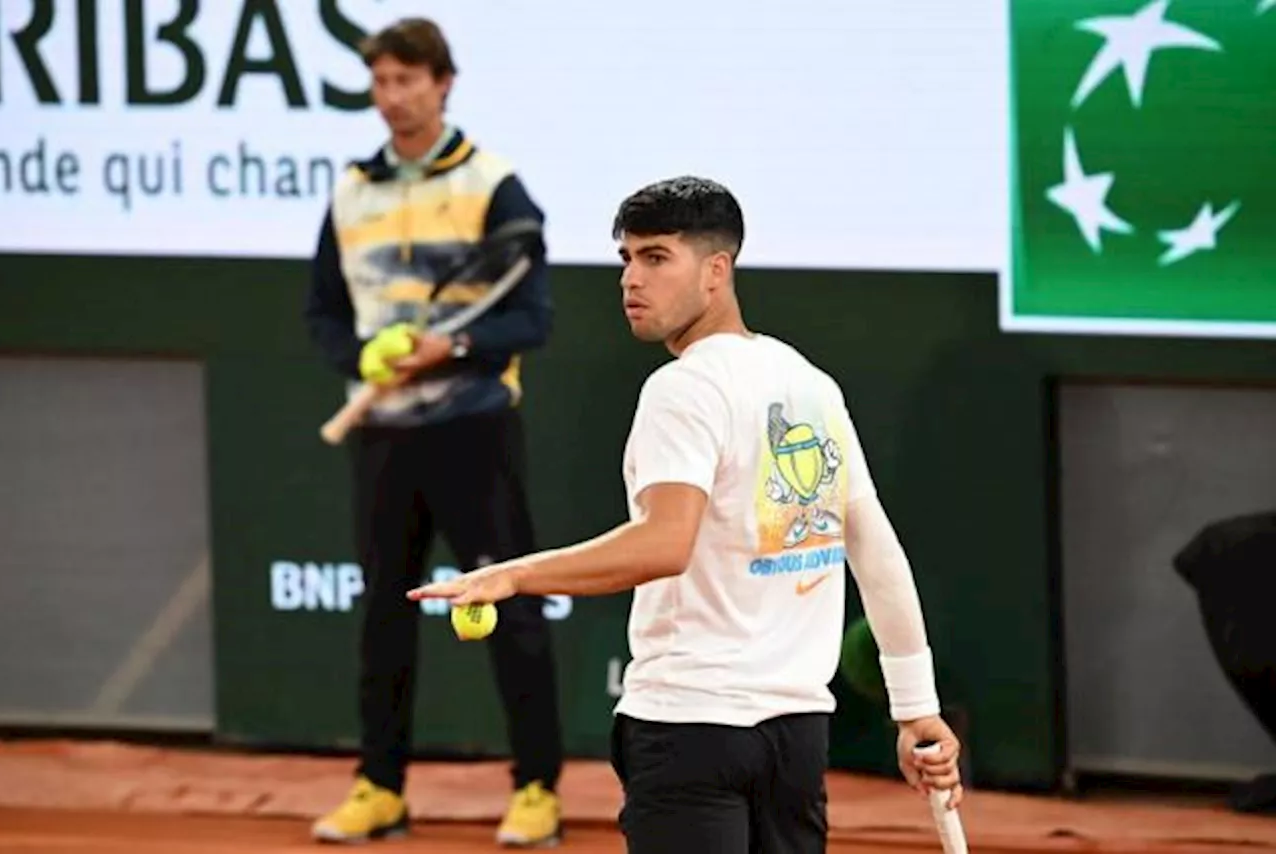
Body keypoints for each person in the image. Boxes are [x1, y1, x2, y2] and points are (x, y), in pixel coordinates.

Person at [409, 175, 964, 852]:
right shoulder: (810, 383)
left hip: (691, 728)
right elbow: (874, 551)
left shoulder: (682, 389)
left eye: (656, 257)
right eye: (627, 259)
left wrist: (515, 576)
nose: (631, 281)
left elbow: (663, 544)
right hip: (794, 736)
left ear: (716, 270)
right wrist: (916, 709)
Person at [303, 17, 564, 847]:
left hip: (473, 430)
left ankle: (537, 789)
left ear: (443, 83)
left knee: (509, 608)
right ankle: (380, 786)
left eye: (408, 81)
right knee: (383, 612)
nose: (393, 98)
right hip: (383, 434)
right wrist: (365, 353)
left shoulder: (494, 185)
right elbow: (325, 310)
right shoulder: (350, 190)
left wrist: (449, 345)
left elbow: (532, 316)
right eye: (381, 82)